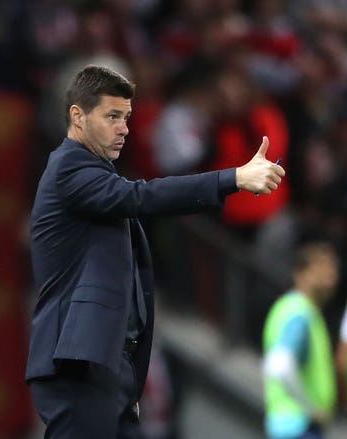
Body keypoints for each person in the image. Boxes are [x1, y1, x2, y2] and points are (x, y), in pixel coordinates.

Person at [26, 65, 285, 439]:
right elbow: (142, 196)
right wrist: (233, 178)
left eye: (127, 118)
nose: (124, 129)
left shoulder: (97, 173)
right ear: (77, 116)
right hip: (79, 362)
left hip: (109, 364)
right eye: (112, 116)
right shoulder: (69, 168)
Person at [263, 242, 339, 439]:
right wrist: (311, 409)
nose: (331, 275)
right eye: (322, 266)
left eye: (333, 267)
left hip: (289, 424)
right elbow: (279, 364)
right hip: (299, 426)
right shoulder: (299, 313)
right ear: (300, 273)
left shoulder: (294, 309)